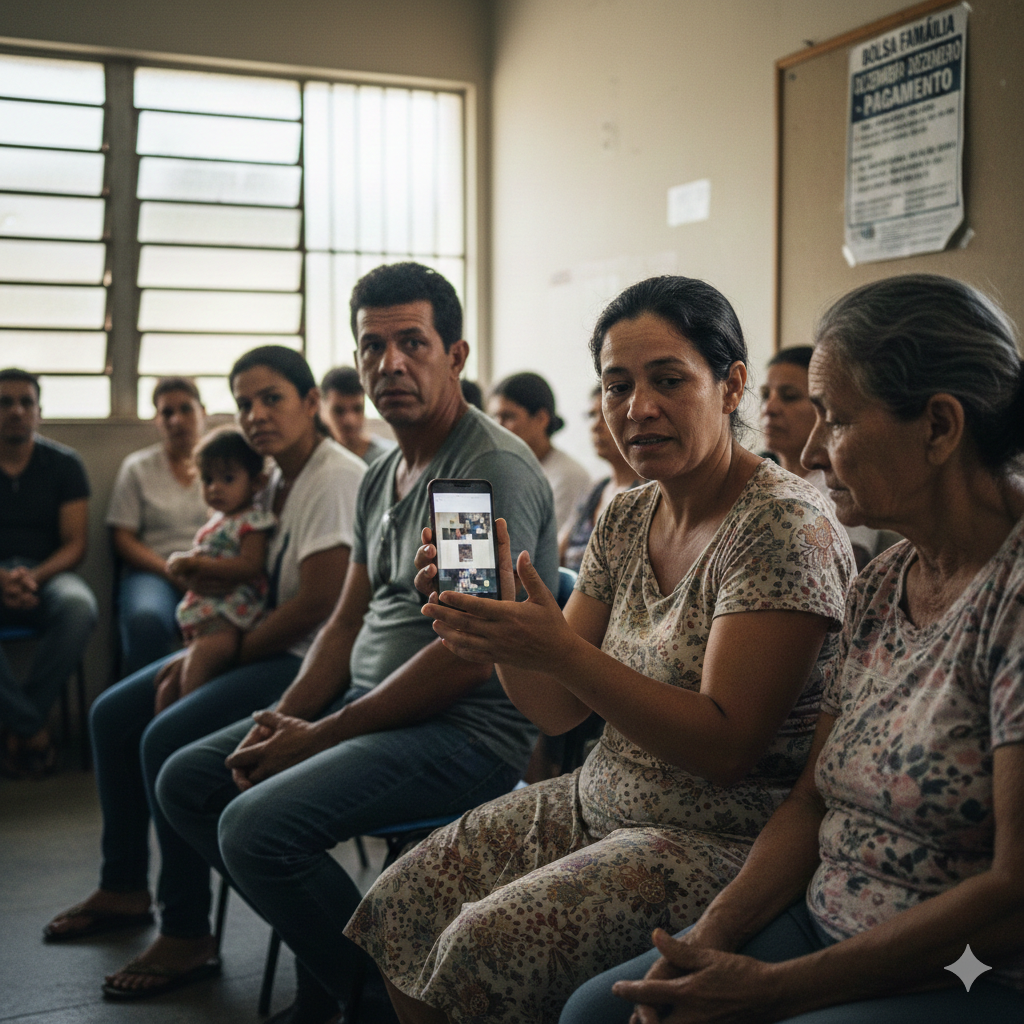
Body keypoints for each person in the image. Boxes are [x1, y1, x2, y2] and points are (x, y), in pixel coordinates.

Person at [345, 275, 855, 1024]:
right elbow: (552, 710)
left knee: (482, 945)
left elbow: (727, 746)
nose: (637, 408)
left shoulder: (780, 527)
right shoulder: (629, 514)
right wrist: (500, 626)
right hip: (597, 802)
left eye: (668, 380)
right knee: (401, 903)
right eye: (617, 385)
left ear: (730, 384)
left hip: (716, 835)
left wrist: (558, 648)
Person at [561, 274, 1024, 1024]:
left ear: (939, 427)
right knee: (598, 1013)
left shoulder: (1012, 600)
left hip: (973, 970)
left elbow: (1012, 893)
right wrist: (705, 940)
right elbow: (810, 799)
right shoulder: (883, 587)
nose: (808, 449)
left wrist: (777, 990)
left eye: (835, 421)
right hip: (824, 914)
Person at [157, 262, 559, 1024]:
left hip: (460, 731)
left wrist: (321, 735)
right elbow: (343, 622)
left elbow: (470, 653)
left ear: (457, 356)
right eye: (372, 347)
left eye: (413, 342)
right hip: (367, 710)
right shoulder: (383, 473)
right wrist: (283, 717)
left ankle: (375, 998)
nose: (390, 364)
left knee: (253, 828)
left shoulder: (475, 474)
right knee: (188, 779)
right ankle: (338, 969)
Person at [43, 346, 366, 1004]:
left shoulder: (334, 477)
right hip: (250, 639)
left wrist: (223, 651)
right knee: (112, 713)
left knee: (166, 739)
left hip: (303, 659)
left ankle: (187, 929)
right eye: (244, 402)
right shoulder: (275, 475)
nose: (255, 415)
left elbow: (319, 605)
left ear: (310, 402)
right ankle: (125, 884)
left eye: (271, 398)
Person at [0, 368, 98, 779]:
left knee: (80, 607)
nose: (16, 411)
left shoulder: (64, 464)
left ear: (40, 411)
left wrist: (31, 578)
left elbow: (75, 544)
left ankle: (20, 725)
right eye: (5, 402)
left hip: (48, 574)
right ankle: (34, 730)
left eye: (26, 402)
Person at [106, 377, 210, 675]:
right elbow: (122, 537)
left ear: (202, 412)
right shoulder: (138, 468)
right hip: (155, 572)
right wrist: (169, 569)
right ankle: (147, 709)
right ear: (157, 419)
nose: (177, 420)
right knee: (146, 619)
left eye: (186, 409)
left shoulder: (224, 464)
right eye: (167, 413)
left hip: (214, 571)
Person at [167, 428, 275, 700]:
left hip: (227, 621)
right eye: (207, 479)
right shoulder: (218, 520)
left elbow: (250, 565)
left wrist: (198, 565)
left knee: (188, 692)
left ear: (256, 482)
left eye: (227, 478)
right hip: (207, 620)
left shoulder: (252, 521)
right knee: (167, 689)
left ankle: (181, 734)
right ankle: (170, 736)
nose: (215, 487)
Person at [760, 347, 883, 570]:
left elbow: (841, 580)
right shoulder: (756, 481)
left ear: (826, 408)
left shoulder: (843, 488)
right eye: (765, 395)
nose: (769, 407)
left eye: (790, 397)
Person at [489, 370, 592, 530]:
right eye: (494, 417)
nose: (498, 426)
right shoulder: (506, 472)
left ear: (541, 419)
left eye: (508, 417)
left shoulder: (567, 477)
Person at [561, 385, 642, 572]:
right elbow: (558, 553)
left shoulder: (647, 492)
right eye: (591, 415)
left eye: (605, 416)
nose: (595, 426)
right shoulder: (596, 489)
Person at [320, 365, 395, 464]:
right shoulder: (315, 461)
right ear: (321, 409)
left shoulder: (389, 459)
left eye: (357, 409)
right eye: (339, 411)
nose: (350, 420)